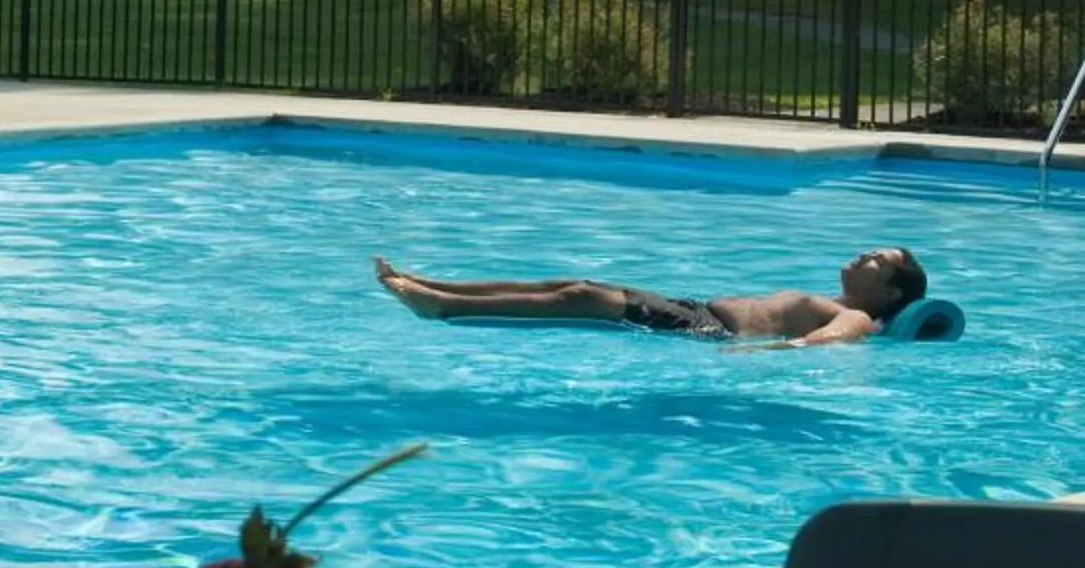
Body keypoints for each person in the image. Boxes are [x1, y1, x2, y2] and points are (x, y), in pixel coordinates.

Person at [372, 243, 929, 346]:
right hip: (695, 309)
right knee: (568, 283)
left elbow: (826, 343)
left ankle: (442, 307)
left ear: (889, 290)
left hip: (708, 331)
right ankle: (433, 285)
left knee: (585, 298)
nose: (861, 256)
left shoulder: (855, 317)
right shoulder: (836, 298)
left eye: (876, 260)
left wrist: (765, 354)